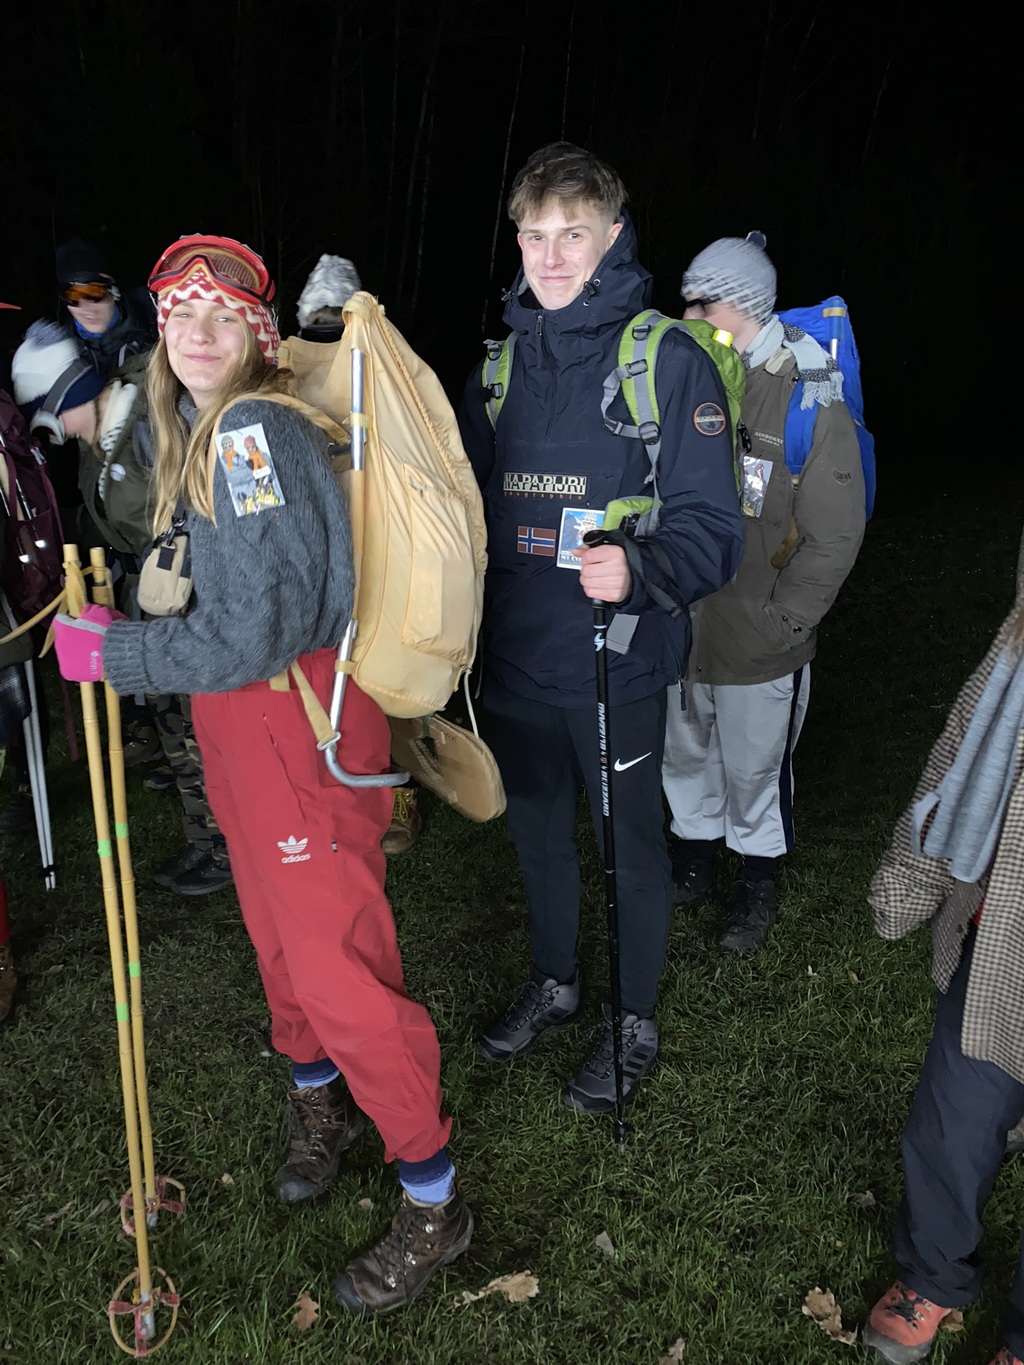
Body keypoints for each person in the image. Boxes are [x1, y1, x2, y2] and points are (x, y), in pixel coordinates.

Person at [51, 234, 472, 1313]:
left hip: (298, 723)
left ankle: (434, 1196)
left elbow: (257, 632)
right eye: (177, 312)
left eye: (221, 315)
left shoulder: (249, 434)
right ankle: (318, 1098)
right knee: (279, 943)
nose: (196, 332)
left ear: (259, 333)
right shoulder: (201, 429)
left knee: (338, 967)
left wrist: (119, 655)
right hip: (244, 727)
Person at [458, 142, 744, 1113]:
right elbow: (455, 510)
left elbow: (714, 530)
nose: (550, 256)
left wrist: (641, 568)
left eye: (571, 235)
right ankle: (556, 981)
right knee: (538, 835)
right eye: (534, 235)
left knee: (631, 851)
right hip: (517, 662)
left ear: (612, 236)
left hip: (614, 661)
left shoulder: (667, 361)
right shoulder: (498, 368)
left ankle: (633, 1017)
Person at [661, 233, 865, 954]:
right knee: (685, 749)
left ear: (742, 305)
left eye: (701, 302)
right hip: (687, 623)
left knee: (755, 766)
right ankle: (693, 854)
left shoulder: (807, 393)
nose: (686, 315)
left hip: (761, 631)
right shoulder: (688, 376)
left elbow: (835, 535)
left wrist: (785, 622)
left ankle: (756, 877)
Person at [10, 323, 232, 894]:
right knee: (172, 722)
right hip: (152, 602)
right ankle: (205, 837)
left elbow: (205, 503)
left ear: (68, 392)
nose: (49, 427)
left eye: (47, 409)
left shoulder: (151, 421)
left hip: (194, 601)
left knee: (203, 726)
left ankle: (229, 845)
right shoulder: (98, 441)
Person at [861, 597, 1024, 1365]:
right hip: (1008, 935)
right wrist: (913, 871)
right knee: (953, 1115)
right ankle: (931, 1273)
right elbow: (963, 742)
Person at [294, 252, 423, 856]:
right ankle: (337, 775)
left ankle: (403, 786)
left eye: (334, 321)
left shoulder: (383, 367)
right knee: (333, 669)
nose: (326, 333)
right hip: (322, 544)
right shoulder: (288, 371)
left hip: (385, 540)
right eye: (316, 322)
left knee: (392, 662)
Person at [56, 237, 156, 379]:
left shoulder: (153, 328)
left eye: (93, 292)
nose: (85, 307)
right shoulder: (58, 355)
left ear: (114, 292)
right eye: (73, 295)